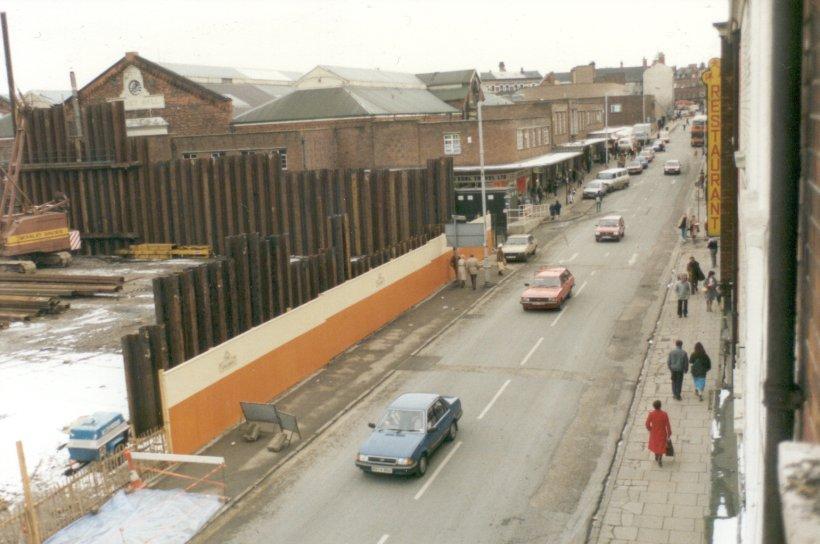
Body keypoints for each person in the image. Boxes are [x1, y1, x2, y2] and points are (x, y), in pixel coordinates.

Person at [645, 400, 672, 467]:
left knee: (655, 445)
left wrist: (650, 429)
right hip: (662, 433)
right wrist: (669, 433)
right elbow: (667, 425)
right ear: (660, 406)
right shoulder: (664, 414)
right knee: (662, 446)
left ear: (654, 406)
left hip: (654, 433)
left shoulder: (651, 414)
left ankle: (656, 456)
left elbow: (647, 424)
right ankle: (660, 458)